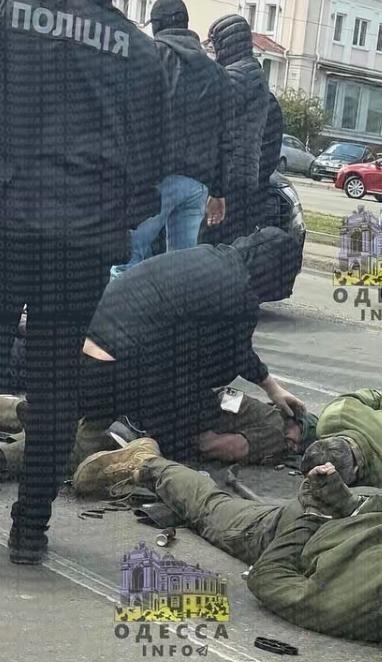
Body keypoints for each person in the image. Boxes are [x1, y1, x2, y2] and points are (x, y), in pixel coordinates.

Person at [72, 443, 382, 662]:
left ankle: (155, 472)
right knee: (213, 512)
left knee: (226, 515)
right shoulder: (364, 612)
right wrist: (327, 511)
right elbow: (267, 576)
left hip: (347, 507)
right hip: (317, 520)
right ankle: (147, 463)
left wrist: (351, 506)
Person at [0, 0, 170, 564]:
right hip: (84, 240)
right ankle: (31, 529)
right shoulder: (140, 51)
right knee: (54, 386)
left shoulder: (10, 16)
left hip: (8, 219)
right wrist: (108, 217)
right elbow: (152, 171)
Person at [78, 227, 305, 463]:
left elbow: (234, 351)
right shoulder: (239, 296)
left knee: (183, 376)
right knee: (195, 434)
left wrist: (271, 387)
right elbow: (228, 362)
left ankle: (112, 428)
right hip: (121, 373)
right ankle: (139, 432)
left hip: (86, 358)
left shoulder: (205, 256)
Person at [111, 0, 234, 278]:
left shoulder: (151, 57)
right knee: (181, 272)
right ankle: (178, 308)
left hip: (155, 179)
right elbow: (226, 138)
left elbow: (132, 116)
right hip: (196, 185)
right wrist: (219, 192)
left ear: (157, 25)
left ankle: (119, 308)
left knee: (127, 260)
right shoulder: (218, 74)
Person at [0, 390, 318, 484]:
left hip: (148, 395)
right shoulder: (275, 432)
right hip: (154, 426)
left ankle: (16, 409)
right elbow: (215, 446)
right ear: (297, 430)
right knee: (71, 448)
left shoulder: (249, 403)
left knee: (67, 418)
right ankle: (6, 458)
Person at [202, 14, 270, 245]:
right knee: (232, 243)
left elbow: (214, 120)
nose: (213, 51)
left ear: (226, 43)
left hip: (229, 176)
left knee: (213, 243)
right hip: (246, 173)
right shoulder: (253, 73)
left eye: (214, 44)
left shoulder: (236, 76)